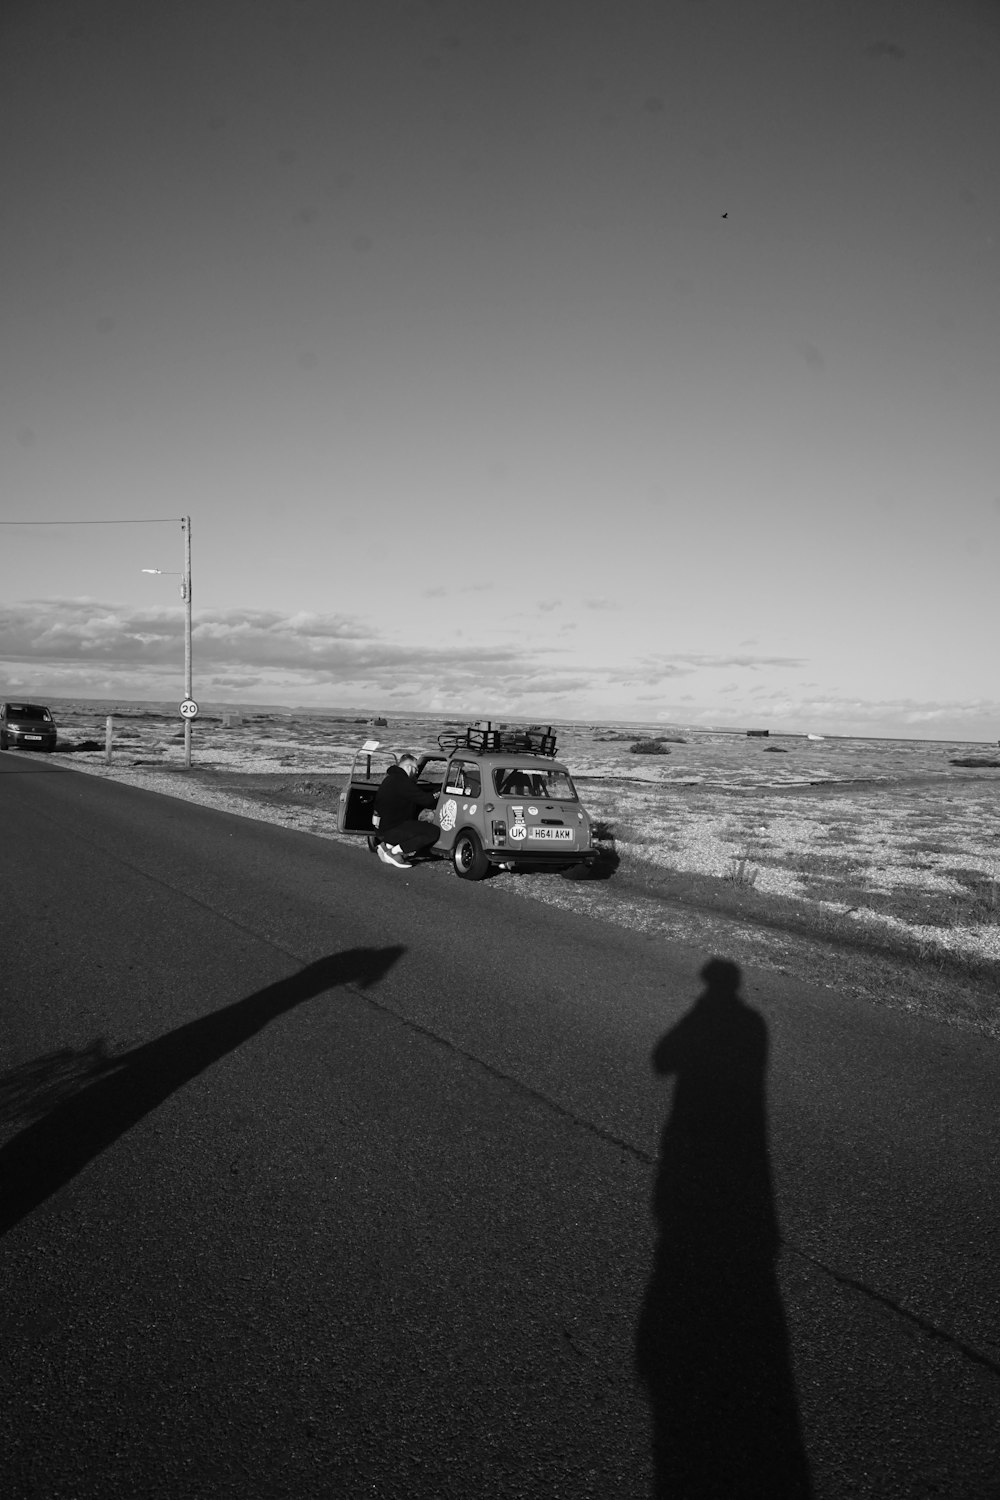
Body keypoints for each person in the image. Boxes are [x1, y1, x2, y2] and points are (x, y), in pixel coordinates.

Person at [373, 754, 440, 869]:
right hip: (392, 829)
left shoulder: (391, 778)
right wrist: (441, 791)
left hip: (382, 828)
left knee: (413, 824)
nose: (415, 773)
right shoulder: (402, 782)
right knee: (433, 832)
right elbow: (426, 800)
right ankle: (394, 852)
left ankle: (387, 846)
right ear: (409, 768)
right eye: (416, 770)